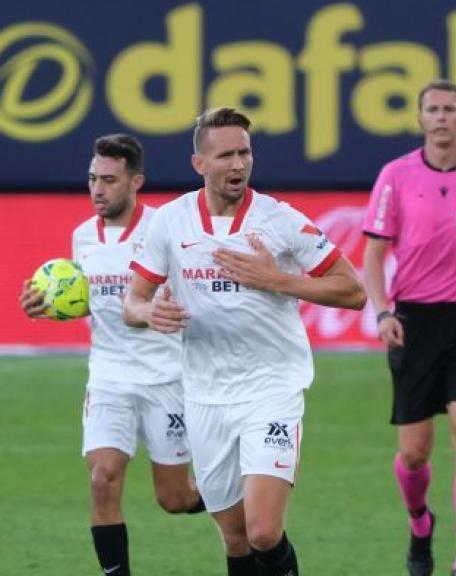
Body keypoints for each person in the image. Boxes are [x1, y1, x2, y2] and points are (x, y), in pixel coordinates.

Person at [122, 108, 366, 576]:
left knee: (263, 532)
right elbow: (133, 304)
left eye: (245, 152)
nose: (238, 165)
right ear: (200, 164)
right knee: (235, 538)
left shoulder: (279, 220)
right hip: (205, 396)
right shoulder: (170, 222)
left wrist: (277, 280)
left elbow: (353, 291)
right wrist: (149, 312)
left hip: (271, 388)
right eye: (226, 155)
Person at [18, 134, 204, 576]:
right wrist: (52, 309)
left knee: (174, 499)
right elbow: (93, 300)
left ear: (135, 181)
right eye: (92, 179)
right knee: (102, 478)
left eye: (109, 180)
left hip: (166, 379)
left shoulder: (166, 230)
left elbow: (190, 295)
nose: (97, 190)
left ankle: (240, 498)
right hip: (108, 378)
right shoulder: (83, 236)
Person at [362, 79, 456, 576]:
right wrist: (383, 311)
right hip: (414, 321)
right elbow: (373, 252)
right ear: (421, 119)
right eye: (433, 109)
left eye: (451, 108)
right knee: (413, 453)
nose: (442, 117)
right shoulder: (396, 176)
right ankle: (420, 523)